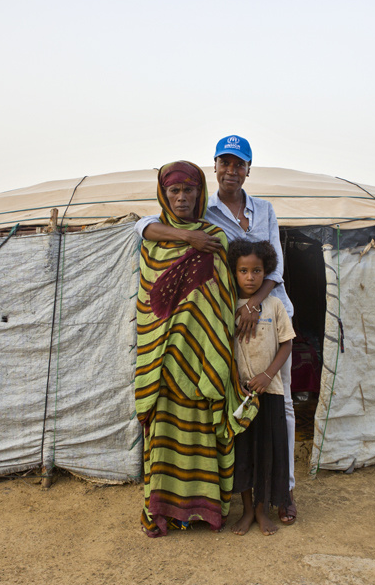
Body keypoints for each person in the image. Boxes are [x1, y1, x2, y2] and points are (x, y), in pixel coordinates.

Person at [134, 135, 299, 525]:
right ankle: (244, 497)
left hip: (269, 314)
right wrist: (188, 235)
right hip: (224, 330)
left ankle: (284, 491)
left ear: (247, 170)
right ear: (215, 168)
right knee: (240, 401)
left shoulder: (263, 211)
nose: (231, 170)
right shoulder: (202, 215)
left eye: (238, 164)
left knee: (283, 404)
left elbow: (273, 269)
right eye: (224, 163)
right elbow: (142, 226)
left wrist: (255, 302)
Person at [134, 160, 254, 537]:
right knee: (166, 435)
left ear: (200, 193)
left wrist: (212, 346)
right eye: (174, 191)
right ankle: (164, 510)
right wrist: (187, 240)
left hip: (204, 359)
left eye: (189, 190)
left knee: (201, 431)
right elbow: (147, 306)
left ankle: (203, 509)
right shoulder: (153, 241)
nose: (182, 197)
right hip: (164, 361)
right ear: (164, 194)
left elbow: (224, 297)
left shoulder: (216, 239)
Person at [227, 240, 295, 536]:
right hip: (239, 396)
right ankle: (246, 511)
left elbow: (286, 342)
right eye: (244, 270)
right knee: (243, 455)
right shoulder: (227, 305)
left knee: (268, 454)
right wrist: (234, 383)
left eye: (257, 270)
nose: (251, 277)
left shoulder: (275, 305)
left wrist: (268, 375)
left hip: (270, 393)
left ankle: (262, 510)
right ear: (235, 272)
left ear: (265, 271)